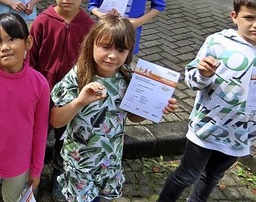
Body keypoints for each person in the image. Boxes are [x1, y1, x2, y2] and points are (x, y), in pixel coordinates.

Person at [157, 0, 256, 202]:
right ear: (234, 16)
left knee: (213, 175)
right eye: (249, 17)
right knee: (187, 175)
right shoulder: (217, 43)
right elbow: (192, 81)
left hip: (242, 133)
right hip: (207, 128)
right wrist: (203, 73)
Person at [50, 15, 178, 202]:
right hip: (80, 162)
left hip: (109, 161)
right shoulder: (79, 74)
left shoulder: (128, 77)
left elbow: (134, 117)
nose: (112, 55)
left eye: (121, 50)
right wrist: (79, 101)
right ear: (92, 43)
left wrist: (155, 106)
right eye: (105, 46)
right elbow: (55, 120)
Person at [28, 0, 95, 201]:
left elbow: (91, 61)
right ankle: (31, 176)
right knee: (36, 136)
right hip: (41, 93)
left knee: (65, 140)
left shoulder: (90, 27)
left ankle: (59, 175)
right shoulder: (42, 22)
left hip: (71, 96)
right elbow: (31, 59)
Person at [0, 12, 49, 202]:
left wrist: (36, 169)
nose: (4, 47)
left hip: (21, 164)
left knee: (13, 199)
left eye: (11, 39)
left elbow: (40, 130)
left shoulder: (39, 84)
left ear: (28, 43)